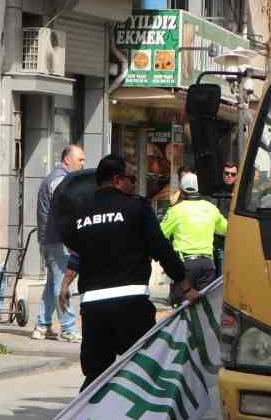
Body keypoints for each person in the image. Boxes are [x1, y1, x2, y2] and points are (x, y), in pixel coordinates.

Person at [59, 155, 196, 391]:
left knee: (96, 376)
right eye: (132, 179)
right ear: (118, 180)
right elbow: (162, 249)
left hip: (93, 309)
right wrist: (185, 285)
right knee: (142, 373)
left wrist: (66, 282)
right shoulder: (137, 207)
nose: (134, 184)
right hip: (131, 306)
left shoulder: (79, 213)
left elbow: (76, 249)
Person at [32, 143, 85, 342]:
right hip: (57, 239)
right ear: (67, 159)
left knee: (53, 282)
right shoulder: (60, 180)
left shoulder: (58, 178)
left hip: (50, 239)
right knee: (64, 282)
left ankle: (42, 325)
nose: (82, 163)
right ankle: (69, 328)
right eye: (80, 159)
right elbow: (66, 210)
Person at [160, 172, 227, 300]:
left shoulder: (175, 211)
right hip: (207, 265)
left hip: (185, 266)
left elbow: (160, 235)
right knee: (205, 309)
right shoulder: (211, 208)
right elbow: (225, 229)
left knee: (182, 310)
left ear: (182, 190)